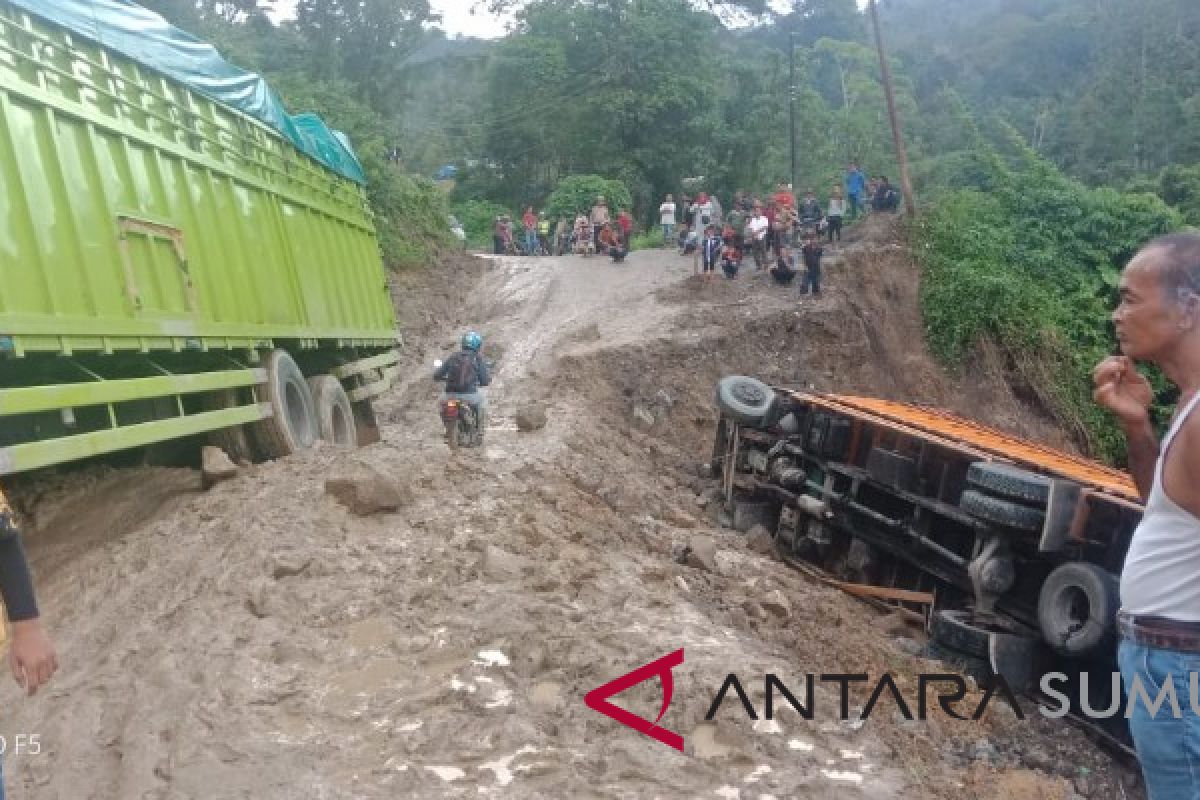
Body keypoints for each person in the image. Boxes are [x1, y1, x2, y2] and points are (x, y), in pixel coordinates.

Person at [1093, 233, 1200, 799]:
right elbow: (1165, 508)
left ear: (1187, 310)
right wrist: (1137, 427)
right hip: (1167, 657)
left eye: (1131, 298)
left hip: (1179, 663)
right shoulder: (1188, 402)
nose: (1118, 314)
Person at [434, 331, 491, 438]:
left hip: (449, 395)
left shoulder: (453, 357)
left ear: (463, 343)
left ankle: (447, 428)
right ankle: (480, 430)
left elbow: (437, 375)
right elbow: (484, 381)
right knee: (483, 402)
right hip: (470, 396)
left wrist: (443, 378)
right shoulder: (477, 359)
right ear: (478, 346)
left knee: (440, 405)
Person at [747, 204, 770, 271]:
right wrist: (753, 234)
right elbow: (750, 227)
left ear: (761, 211)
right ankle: (758, 265)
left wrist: (757, 232)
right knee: (755, 252)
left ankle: (766, 265)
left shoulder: (764, 218)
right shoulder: (753, 219)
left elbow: (765, 227)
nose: (757, 212)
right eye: (756, 211)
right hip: (754, 237)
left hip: (762, 236)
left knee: (763, 251)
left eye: (758, 211)